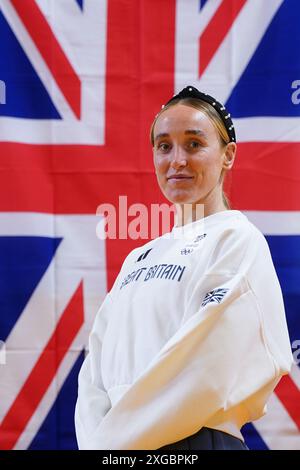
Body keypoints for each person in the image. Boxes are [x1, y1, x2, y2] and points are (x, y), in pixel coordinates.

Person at [74, 85, 293, 450]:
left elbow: (206, 368)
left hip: (195, 442)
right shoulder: (139, 257)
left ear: (228, 155)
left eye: (194, 144)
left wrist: (112, 445)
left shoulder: (237, 240)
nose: (177, 160)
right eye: (164, 146)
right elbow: (94, 371)